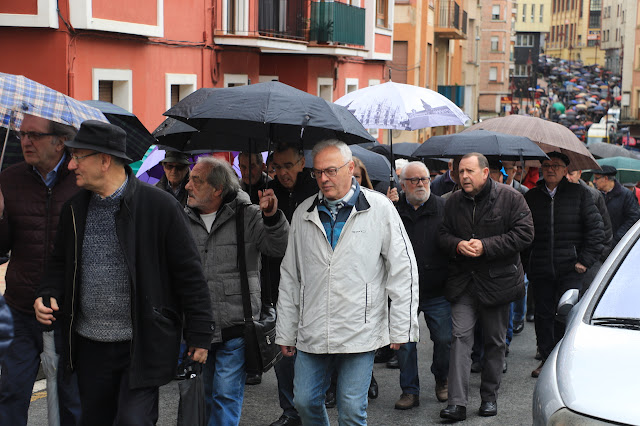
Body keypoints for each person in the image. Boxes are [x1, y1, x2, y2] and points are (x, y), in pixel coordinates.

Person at [34, 121, 214, 425]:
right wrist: (47, 293)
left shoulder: (159, 206)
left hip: (140, 344)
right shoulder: (74, 209)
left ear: (105, 160)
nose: (71, 165)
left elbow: (189, 274)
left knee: (134, 421)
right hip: (89, 348)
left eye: (78, 156)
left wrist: (200, 333)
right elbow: (58, 264)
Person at [276, 139, 419, 426]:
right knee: (304, 402)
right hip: (312, 327)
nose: (323, 179)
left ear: (350, 167)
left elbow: (403, 270)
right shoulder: (304, 211)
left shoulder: (379, 208)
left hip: (359, 327)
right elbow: (291, 275)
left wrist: (401, 327)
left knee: (352, 410)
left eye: (330, 170)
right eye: (317, 173)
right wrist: (285, 330)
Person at [184, 156, 289, 425]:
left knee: (226, 395)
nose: (187, 186)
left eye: (196, 180)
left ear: (218, 189)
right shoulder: (181, 217)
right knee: (202, 395)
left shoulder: (248, 214)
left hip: (237, 324)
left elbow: (277, 248)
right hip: (197, 326)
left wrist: (272, 216)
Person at [439, 153, 534, 421]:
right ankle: (457, 403)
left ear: (485, 173)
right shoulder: (453, 201)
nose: (464, 176)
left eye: (469, 171)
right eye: (460, 172)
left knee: (494, 342)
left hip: (498, 282)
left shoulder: (511, 198)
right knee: (460, 339)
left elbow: (525, 233)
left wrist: (486, 246)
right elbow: (442, 235)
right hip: (464, 282)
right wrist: (457, 244)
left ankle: (489, 397)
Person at [0, 113, 81, 425]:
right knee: (11, 390)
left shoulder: (81, 180)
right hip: (20, 306)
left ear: (60, 142)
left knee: (70, 397)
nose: (25, 141)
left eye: (33, 135)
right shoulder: (9, 178)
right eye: (21, 134)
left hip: (66, 310)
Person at [524, 152, 605, 378]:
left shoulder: (580, 194)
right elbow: (523, 232)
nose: (551, 169)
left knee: (565, 314)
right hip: (540, 268)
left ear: (565, 169)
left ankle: (564, 360)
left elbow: (597, 231)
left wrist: (584, 261)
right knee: (542, 316)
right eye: (547, 165)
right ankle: (547, 358)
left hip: (570, 269)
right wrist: (526, 262)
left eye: (556, 166)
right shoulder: (532, 197)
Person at [266, 142, 319, 426]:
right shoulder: (266, 189)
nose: (283, 172)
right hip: (279, 281)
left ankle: (313, 400)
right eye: (278, 167)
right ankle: (290, 411)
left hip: (316, 282)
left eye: (289, 165)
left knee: (315, 350)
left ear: (302, 163)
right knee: (283, 350)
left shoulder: (317, 190)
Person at [394, 162, 451, 410]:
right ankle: (410, 390)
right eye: (414, 180)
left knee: (444, 339)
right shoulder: (393, 211)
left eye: (424, 179)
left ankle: (442, 378)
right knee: (405, 343)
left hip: (438, 288)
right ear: (403, 184)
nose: (420, 184)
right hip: (404, 290)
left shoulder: (444, 208)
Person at [592, 165, 640, 246]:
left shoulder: (626, 195)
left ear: (606, 179)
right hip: (600, 243)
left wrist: (617, 237)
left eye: (597, 178)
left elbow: (633, 218)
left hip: (618, 245)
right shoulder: (597, 195)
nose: (594, 181)